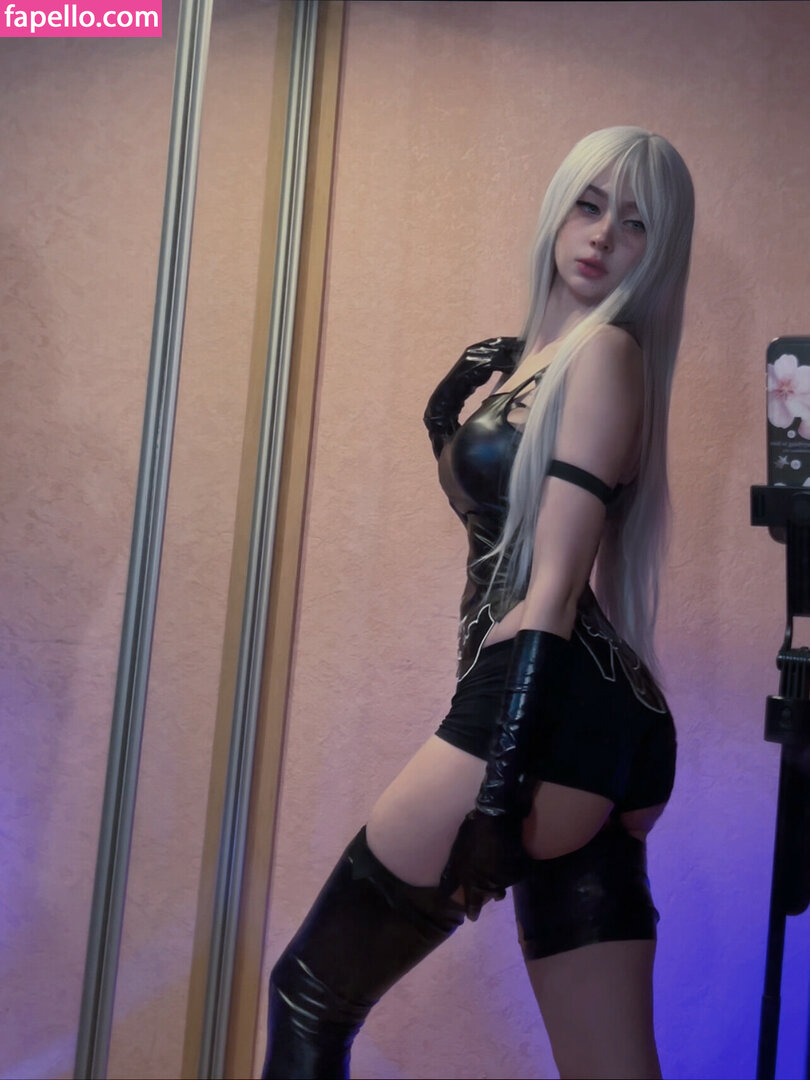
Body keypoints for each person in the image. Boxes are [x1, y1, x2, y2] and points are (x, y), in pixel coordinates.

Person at [261, 125, 695, 1080]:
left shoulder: (605, 354)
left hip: (542, 700)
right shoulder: (552, 357)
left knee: (308, 994)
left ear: (658, 251)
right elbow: (497, 513)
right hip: (592, 720)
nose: (601, 236)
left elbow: (554, 584)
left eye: (634, 224)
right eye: (589, 205)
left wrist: (499, 790)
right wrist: (448, 412)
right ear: (558, 210)